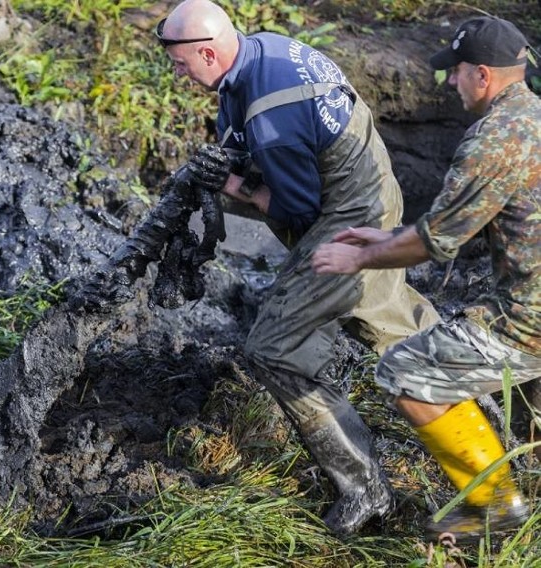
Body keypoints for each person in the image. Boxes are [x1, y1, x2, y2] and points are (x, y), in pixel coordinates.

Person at [153, 0, 441, 536]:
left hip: (350, 213)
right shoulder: (256, 52)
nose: (178, 73)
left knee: (273, 349)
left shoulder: (271, 117)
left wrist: (235, 187)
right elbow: (249, 134)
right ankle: (501, 401)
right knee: (394, 327)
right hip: (369, 183)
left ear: (209, 52)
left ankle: (365, 487)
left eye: (180, 63)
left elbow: (296, 210)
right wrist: (230, 160)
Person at [312, 16, 540, 542]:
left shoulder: (495, 139)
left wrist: (359, 260)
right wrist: (383, 236)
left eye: (456, 73)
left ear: (483, 75)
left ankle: (494, 507)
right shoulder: (532, 117)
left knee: (406, 370)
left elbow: (438, 242)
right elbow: (453, 220)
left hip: (529, 319)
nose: (450, 83)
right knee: (533, 415)